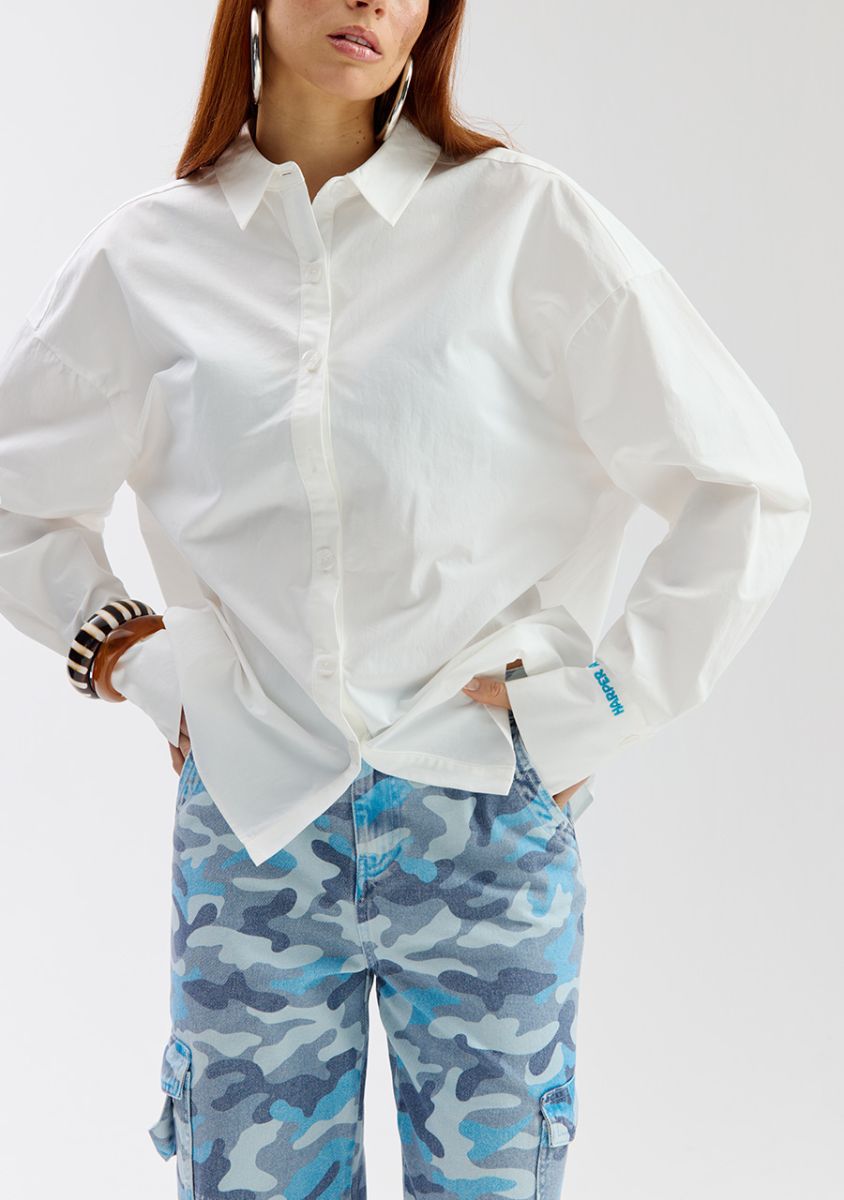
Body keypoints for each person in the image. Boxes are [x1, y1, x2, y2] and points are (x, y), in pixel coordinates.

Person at [0, 2, 811, 1197]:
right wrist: (137, 656)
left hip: (481, 818)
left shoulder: (522, 225)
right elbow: (17, 496)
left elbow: (745, 486)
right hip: (253, 828)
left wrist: (596, 705)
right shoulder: (150, 258)